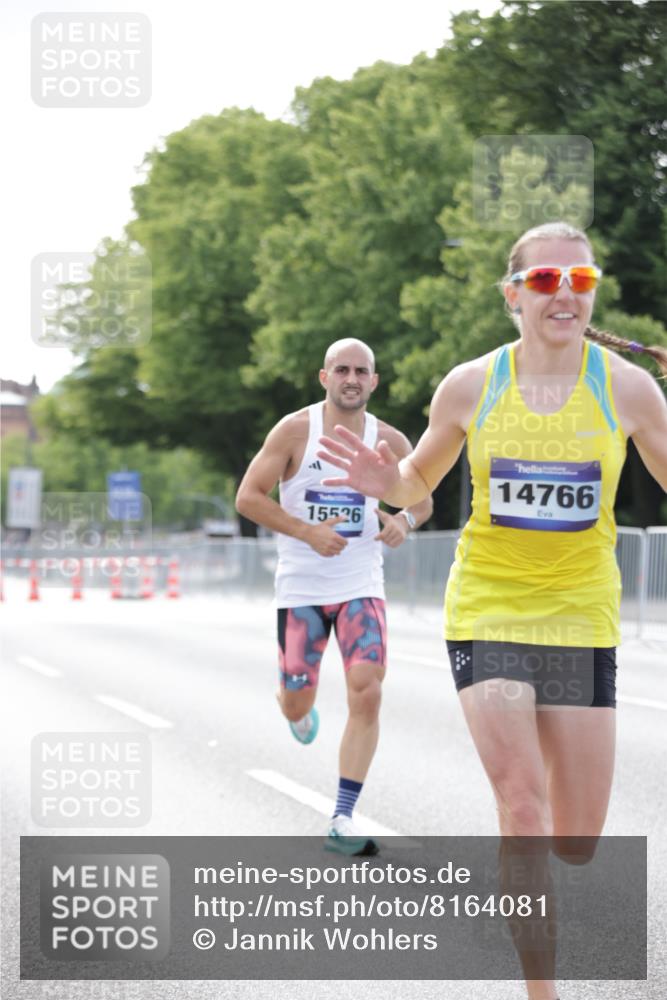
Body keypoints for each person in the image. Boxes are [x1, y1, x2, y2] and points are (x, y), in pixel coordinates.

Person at [317, 222, 667, 999]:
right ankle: (541, 992)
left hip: (578, 615)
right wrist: (384, 484)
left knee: (574, 840)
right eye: (543, 280)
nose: (563, 293)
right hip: (489, 607)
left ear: (593, 292)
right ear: (513, 295)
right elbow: (416, 483)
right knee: (522, 806)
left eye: (579, 280)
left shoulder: (627, 390)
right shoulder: (472, 385)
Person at [235, 338, 432, 856]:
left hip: (360, 584)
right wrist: (307, 532)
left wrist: (404, 521)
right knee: (296, 698)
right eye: (341, 369)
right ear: (324, 377)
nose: (351, 378)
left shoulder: (388, 439)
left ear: (374, 381)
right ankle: (293, 708)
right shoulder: (294, 431)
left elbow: (423, 498)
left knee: (367, 691)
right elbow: (248, 497)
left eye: (361, 371)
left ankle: (343, 815)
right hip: (300, 588)